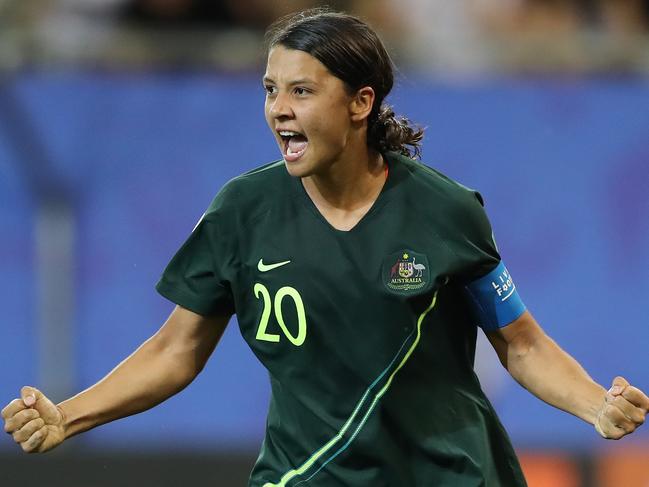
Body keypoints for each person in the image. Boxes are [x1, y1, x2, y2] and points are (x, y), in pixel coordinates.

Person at [3, 8, 648, 486]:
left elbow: (522, 343)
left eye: (302, 91)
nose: (279, 110)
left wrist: (596, 403)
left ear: (361, 102)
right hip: (304, 476)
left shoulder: (445, 211)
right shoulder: (241, 213)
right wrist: (67, 415)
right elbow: (174, 352)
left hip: (448, 477)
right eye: (269, 90)